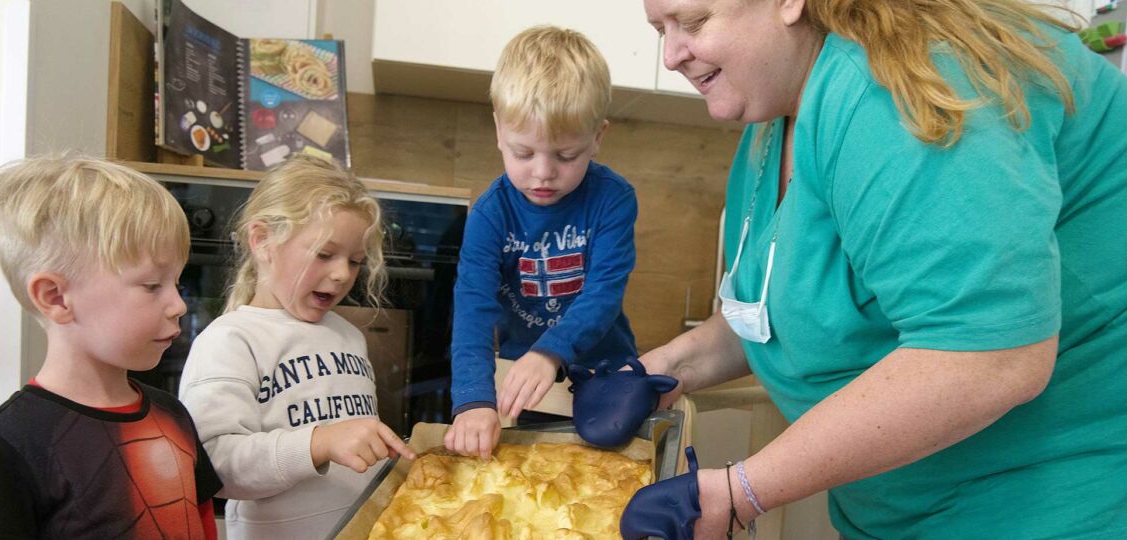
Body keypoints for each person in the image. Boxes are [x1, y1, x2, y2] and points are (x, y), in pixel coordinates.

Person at [624, 0, 1127, 538]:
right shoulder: (775, 111)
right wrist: (661, 369)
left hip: (1045, 504)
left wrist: (741, 490)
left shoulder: (898, 86)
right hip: (901, 508)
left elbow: (990, 356)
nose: (672, 54)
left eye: (695, 22)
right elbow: (771, 309)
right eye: (660, 29)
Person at [0, 156, 223, 539]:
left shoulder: (172, 414)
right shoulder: (11, 441)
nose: (180, 305)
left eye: (177, 285)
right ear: (56, 297)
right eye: (152, 286)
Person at [177, 154, 416, 539]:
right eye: (324, 254)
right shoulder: (231, 341)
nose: (342, 275)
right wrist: (318, 442)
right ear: (262, 241)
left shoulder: (348, 337)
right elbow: (213, 467)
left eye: (355, 261)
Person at [446, 25, 641, 459]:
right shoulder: (489, 215)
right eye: (523, 152)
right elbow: (472, 312)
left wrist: (551, 350)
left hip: (606, 372)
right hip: (524, 381)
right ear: (498, 131)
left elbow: (603, 294)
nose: (543, 172)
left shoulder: (613, 199)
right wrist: (474, 400)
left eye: (566, 156)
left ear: (598, 137)